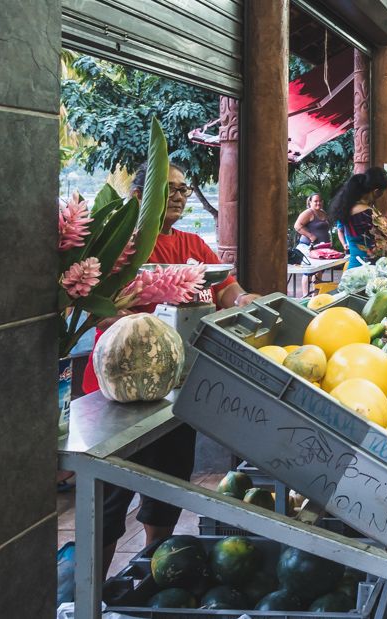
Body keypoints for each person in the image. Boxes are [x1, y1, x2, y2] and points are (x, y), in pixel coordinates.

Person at [81, 161, 260, 576]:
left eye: (184, 189)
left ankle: (152, 572)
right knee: (110, 495)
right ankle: (95, 590)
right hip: (117, 396)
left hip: (176, 388)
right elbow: (92, 311)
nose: (179, 195)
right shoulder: (116, 247)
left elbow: (226, 288)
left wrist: (243, 300)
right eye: (170, 188)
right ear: (141, 197)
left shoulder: (192, 245)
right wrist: (138, 330)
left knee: (168, 483)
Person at [328, 167, 387, 266]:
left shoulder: (348, 208)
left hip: (354, 266)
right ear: (376, 192)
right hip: (366, 269)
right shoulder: (367, 212)